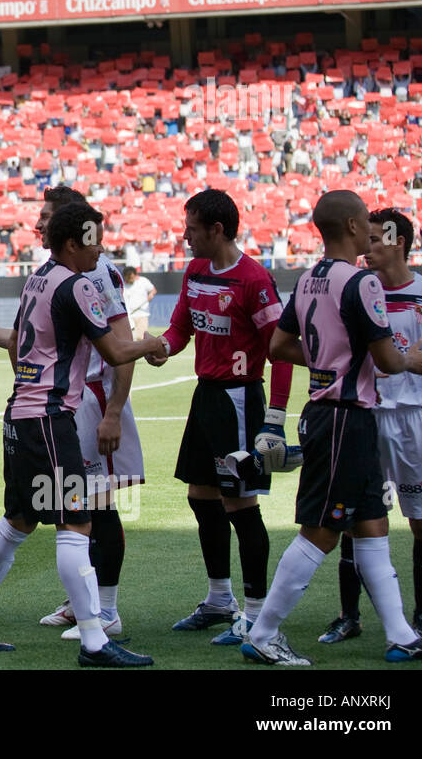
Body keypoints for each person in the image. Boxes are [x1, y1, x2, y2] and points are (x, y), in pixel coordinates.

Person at [0, 203, 166, 666]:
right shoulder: (77, 284)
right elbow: (116, 348)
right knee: (76, 524)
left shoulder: (38, 279)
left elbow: (24, 341)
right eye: (94, 240)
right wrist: (151, 343)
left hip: (22, 417)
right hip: (49, 419)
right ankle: (95, 640)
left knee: (19, 520)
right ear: (72, 243)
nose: (101, 248)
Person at [242, 190, 422, 665]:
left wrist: (329, 362)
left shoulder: (309, 278)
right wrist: (410, 359)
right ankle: (263, 632)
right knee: (323, 530)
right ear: (353, 227)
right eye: (365, 225)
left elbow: (280, 346)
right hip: (345, 418)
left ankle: (401, 634)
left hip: (344, 416)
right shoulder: (361, 283)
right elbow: (390, 359)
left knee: (372, 525)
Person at [152, 188, 293, 644]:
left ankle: (255, 613)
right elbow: (180, 327)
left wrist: (274, 418)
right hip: (206, 398)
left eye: (191, 228)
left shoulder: (254, 279)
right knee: (200, 496)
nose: (185, 236)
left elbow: (283, 351)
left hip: (240, 401)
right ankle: (219, 599)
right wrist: (162, 348)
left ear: (216, 229)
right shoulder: (195, 270)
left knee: (240, 505)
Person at [317, 208, 422, 645]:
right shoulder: (357, 290)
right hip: (364, 416)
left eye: (374, 240)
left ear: (398, 241)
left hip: (414, 422)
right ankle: (349, 616)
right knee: (355, 519)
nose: (366, 248)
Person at [27, 187, 143, 640]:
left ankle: (106, 610)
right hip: (61, 402)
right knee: (70, 504)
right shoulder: (50, 273)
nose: (41, 226)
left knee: (98, 503)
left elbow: (121, 347)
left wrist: (112, 412)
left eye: (48, 218)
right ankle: (83, 603)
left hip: (91, 400)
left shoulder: (98, 274)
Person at [123, 266, 156, 340]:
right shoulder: (123, 286)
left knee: (141, 338)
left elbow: (153, 290)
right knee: (131, 338)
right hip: (129, 315)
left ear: (135, 275)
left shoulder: (143, 281)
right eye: (128, 277)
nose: (130, 279)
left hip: (142, 313)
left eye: (131, 277)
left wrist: (151, 295)